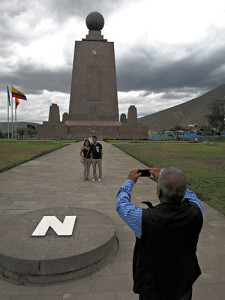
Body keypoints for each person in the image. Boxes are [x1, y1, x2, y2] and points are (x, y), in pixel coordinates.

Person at [116, 167, 203, 300]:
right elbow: (190, 195)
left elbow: (121, 204)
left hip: (153, 287)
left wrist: (129, 181)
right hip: (183, 282)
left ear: (158, 191)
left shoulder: (144, 219)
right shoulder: (196, 211)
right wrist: (161, 181)